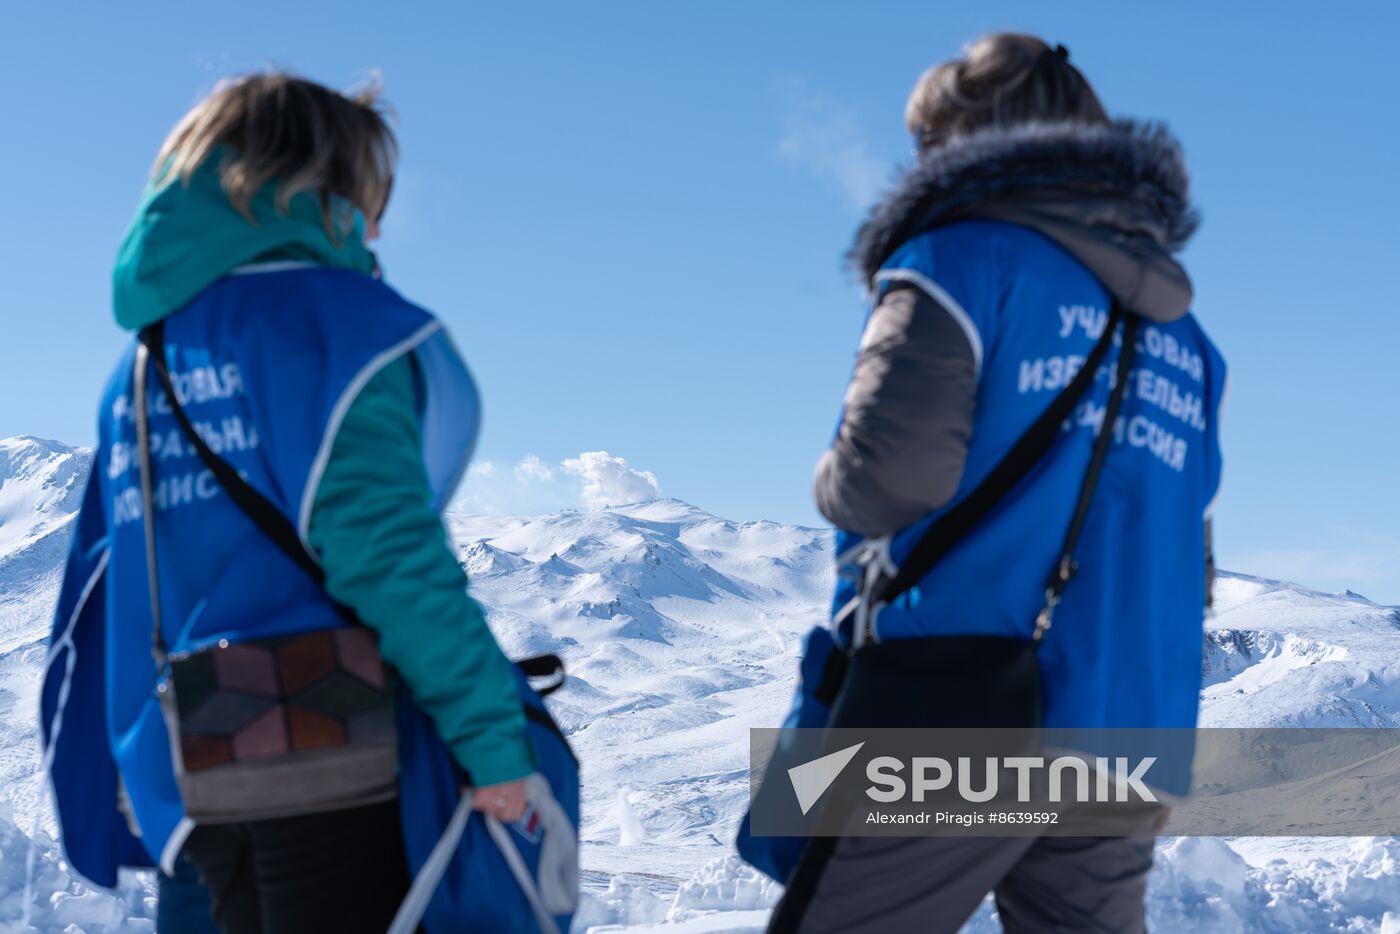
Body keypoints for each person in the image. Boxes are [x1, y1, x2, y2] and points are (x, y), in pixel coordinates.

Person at [41, 73, 536, 932]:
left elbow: (113, 585)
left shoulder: (142, 363)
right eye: (368, 194)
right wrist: (494, 742)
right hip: (331, 751)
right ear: (312, 180)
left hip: (190, 767)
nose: (377, 226)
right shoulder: (339, 330)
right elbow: (389, 559)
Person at [778, 34, 1226, 932]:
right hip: (1124, 726)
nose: (919, 160)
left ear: (967, 141)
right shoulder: (1187, 342)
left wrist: (827, 479)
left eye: (928, 138)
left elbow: (883, 479)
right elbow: (1188, 563)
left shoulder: (958, 263)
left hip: (957, 702)